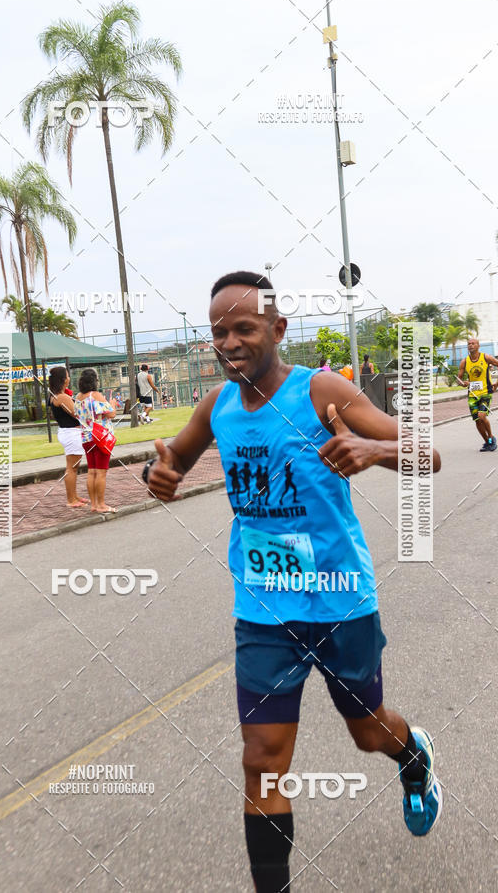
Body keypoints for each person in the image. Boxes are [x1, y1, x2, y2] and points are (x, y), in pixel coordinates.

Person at [144, 271, 442, 892]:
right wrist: (162, 473)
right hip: (262, 609)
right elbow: (174, 457)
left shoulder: (321, 390)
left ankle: (412, 757)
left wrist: (371, 450)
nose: (229, 341)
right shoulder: (217, 405)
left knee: (368, 730)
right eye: (218, 331)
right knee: (262, 761)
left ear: (278, 330)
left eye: (244, 328)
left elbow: (427, 452)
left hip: (341, 599)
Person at [74, 368, 117, 513]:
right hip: (99, 438)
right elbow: (111, 414)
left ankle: (94, 505)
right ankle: (102, 504)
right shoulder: (96, 395)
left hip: (86, 438)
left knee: (91, 471)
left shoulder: (78, 397)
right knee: (101, 472)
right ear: (94, 381)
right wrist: (113, 404)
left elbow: (77, 415)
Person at [48, 366, 88, 508]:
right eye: (67, 376)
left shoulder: (55, 396)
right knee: (71, 468)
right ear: (64, 380)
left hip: (68, 432)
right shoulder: (62, 397)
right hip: (72, 433)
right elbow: (78, 414)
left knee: (73, 467)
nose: (69, 378)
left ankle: (74, 496)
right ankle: (71, 500)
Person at [456, 338, 498, 451]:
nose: (470, 345)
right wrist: (463, 383)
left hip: (485, 392)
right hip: (472, 394)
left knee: (482, 416)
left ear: (478, 346)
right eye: (469, 344)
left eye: (473, 343)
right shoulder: (465, 362)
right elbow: (459, 379)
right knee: (477, 420)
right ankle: (487, 442)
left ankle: (491, 438)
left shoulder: (485, 357)